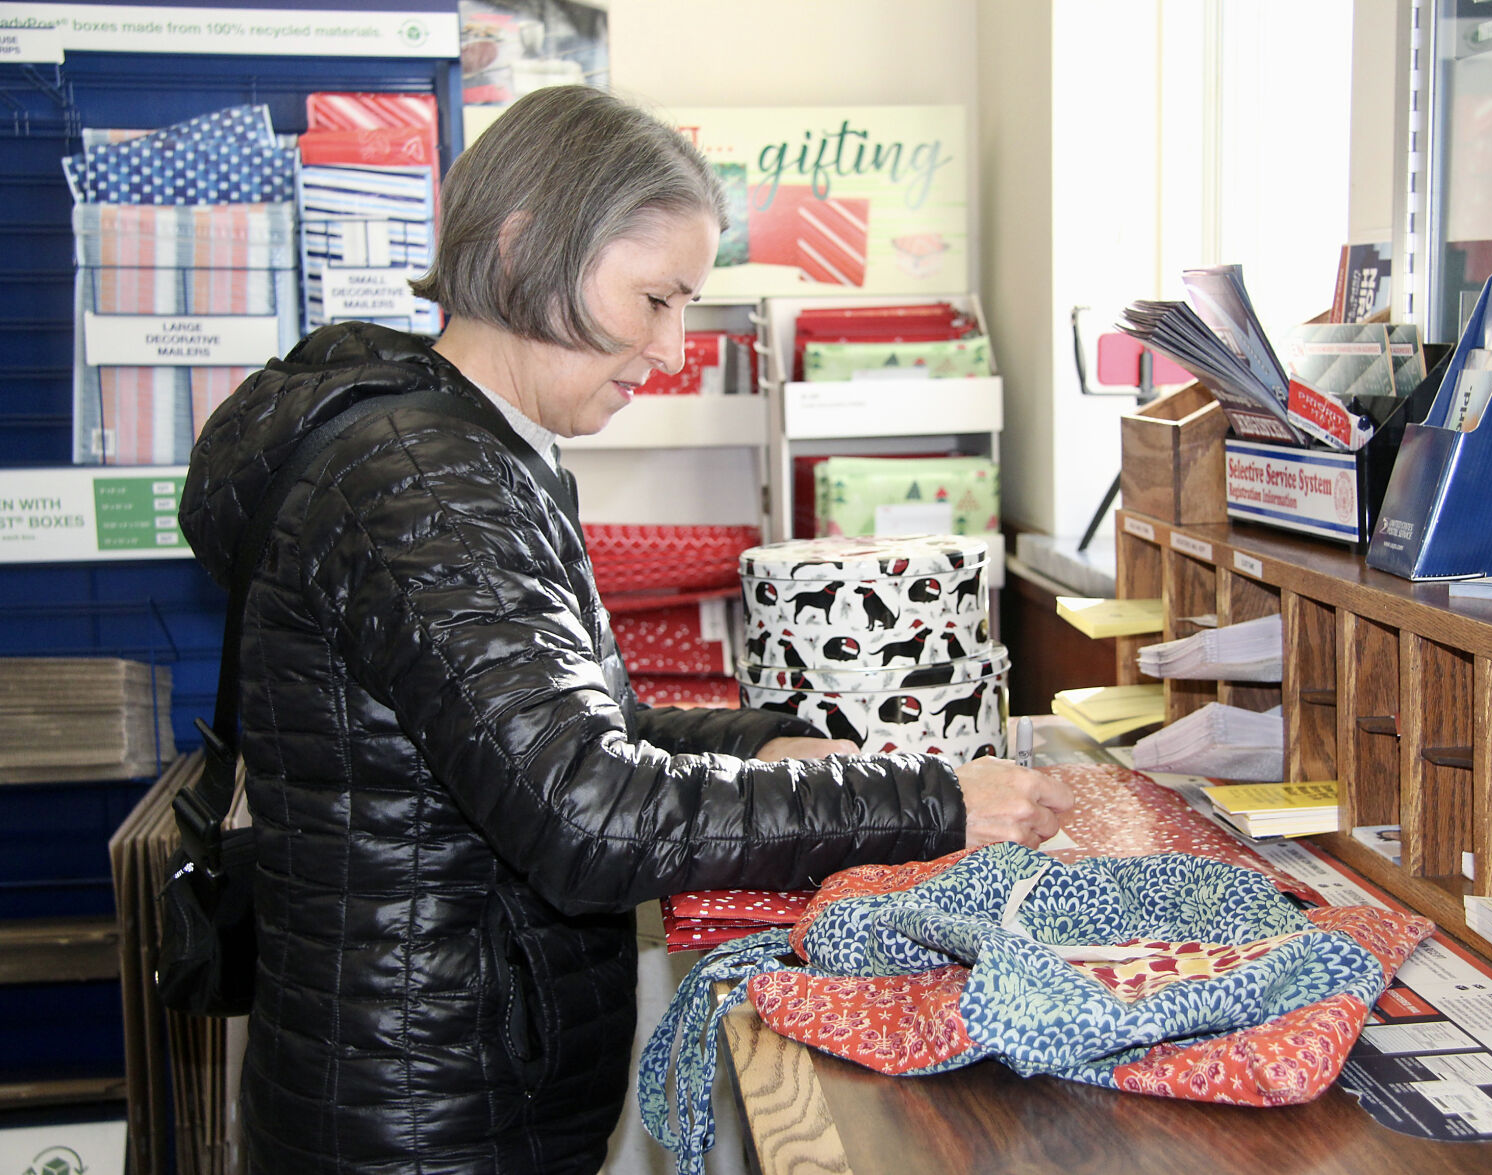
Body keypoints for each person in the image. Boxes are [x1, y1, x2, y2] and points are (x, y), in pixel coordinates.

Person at [179, 85, 1072, 1175]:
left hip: (432, 1086)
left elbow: (561, 733)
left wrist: (753, 743)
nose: (671, 347)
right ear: (519, 249)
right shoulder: (425, 483)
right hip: (423, 1123)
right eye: (654, 297)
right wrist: (929, 800)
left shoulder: (471, 448)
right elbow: (589, 814)